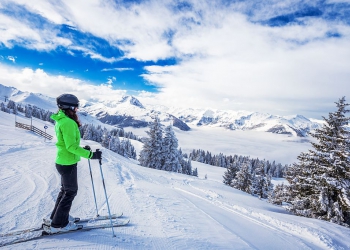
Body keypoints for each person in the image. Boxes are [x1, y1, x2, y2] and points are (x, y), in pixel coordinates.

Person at [48, 93, 101, 233]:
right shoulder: (68, 123)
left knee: (65, 190)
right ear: (69, 107)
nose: (77, 110)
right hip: (67, 163)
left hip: (62, 160)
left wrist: (83, 149)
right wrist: (91, 155)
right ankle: (59, 224)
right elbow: (71, 147)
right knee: (70, 192)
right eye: (75, 108)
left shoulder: (61, 120)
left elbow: (68, 143)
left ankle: (57, 217)